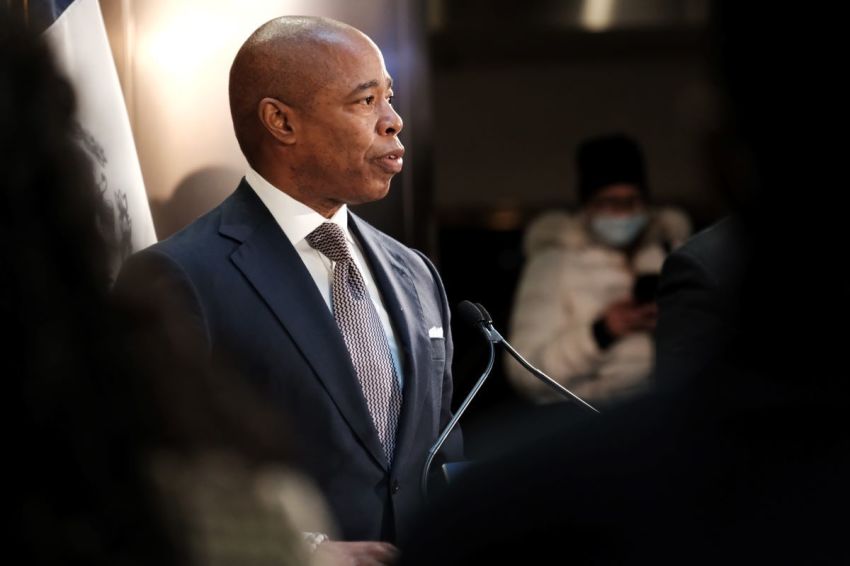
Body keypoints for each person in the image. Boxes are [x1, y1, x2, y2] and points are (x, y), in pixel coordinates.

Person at [114, 16, 462, 559]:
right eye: (365, 100)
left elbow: (441, 447)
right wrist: (304, 553)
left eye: (389, 97)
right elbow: (148, 478)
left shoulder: (414, 271)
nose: (393, 122)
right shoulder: (176, 277)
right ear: (281, 121)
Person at [505, 134, 690, 405]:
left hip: (673, 412)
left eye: (631, 201)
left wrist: (676, 321)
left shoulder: (672, 251)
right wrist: (602, 332)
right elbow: (525, 372)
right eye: (608, 202)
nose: (622, 213)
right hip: (593, 420)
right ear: (587, 205)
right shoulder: (555, 264)